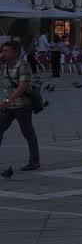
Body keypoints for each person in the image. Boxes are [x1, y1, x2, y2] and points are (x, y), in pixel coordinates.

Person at [0, 39, 40, 171]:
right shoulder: (6, 65)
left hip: (22, 105)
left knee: (28, 133)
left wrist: (7, 101)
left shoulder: (23, 65)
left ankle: (34, 161)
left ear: (15, 52)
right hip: (9, 106)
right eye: (3, 50)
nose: (3, 53)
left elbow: (22, 86)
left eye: (6, 51)